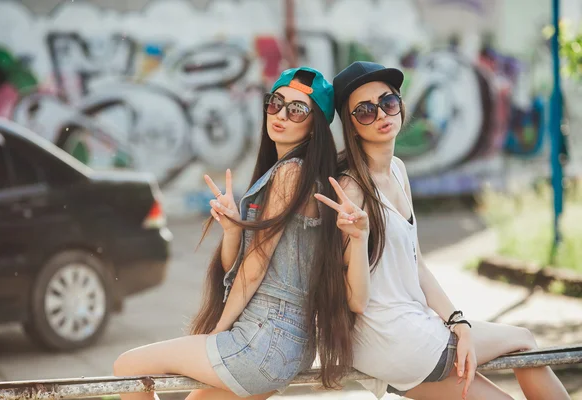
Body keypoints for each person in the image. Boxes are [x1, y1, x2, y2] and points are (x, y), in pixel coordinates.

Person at [314, 61, 570, 400]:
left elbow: (417, 264)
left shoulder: (398, 171)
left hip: (403, 338)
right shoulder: (352, 188)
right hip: (395, 338)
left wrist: (457, 321)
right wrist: (358, 238)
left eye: (388, 102)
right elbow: (356, 300)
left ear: (400, 105)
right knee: (523, 339)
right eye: (364, 111)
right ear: (351, 124)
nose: (380, 115)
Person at [113, 67, 354, 400]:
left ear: (315, 127)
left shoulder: (290, 173)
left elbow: (256, 264)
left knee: (130, 367)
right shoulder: (291, 173)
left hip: (264, 338)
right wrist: (232, 229)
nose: (281, 114)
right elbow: (237, 265)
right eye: (276, 103)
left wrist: (216, 332)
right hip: (284, 342)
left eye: (297, 110)